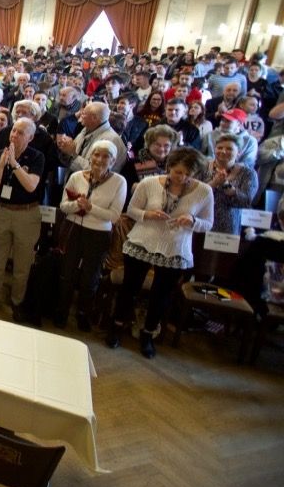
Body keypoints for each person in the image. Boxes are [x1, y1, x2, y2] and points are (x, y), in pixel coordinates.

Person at [108, 147, 213, 359]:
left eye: (188, 174)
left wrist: (192, 220)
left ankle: (148, 334)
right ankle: (117, 327)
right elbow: (132, 210)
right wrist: (148, 214)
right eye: (178, 172)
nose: (182, 178)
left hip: (174, 249)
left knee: (161, 296)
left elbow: (208, 224)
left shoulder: (204, 191)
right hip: (142, 243)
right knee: (130, 289)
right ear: (169, 167)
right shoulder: (149, 183)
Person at [0, 118, 45, 320]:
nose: (14, 135)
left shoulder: (36, 157)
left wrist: (14, 164)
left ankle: (17, 302)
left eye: (21, 132)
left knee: (22, 265)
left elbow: (31, 185)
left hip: (27, 214)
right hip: (1, 211)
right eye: (13, 130)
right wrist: (3, 163)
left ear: (30, 137)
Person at [55, 140, 127, 330]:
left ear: (112, 161)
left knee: (90, 277)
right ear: (90, 156)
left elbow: (114, 216)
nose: (100, 160)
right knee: (67, 273)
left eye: (105, 156)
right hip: (73, 229)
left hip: (98, 234)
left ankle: (83, 314)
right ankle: (61, 311)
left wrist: (91, 208)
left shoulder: (119, 182)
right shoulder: (77, 176)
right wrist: (76, 205)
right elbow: (63, 206)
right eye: (96, 154)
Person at [201, 133, 257, 234]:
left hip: (228, 227)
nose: (223, 151)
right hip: (200, 223)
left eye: (229, 149)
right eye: (220, 148)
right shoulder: (201, 168)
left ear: (239, 152)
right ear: (214, 149)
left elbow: (246, 201)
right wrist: (214, 183)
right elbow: (193, 195)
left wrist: (226, 185)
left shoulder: (248, 173)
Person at [56, 101, 125, 172]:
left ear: (94, 118)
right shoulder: (86, 129)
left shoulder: (111, 140)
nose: (80, 116)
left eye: (84, 114)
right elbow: (70, 158)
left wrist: (72, 155)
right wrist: (65, 149)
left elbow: (96, 171)